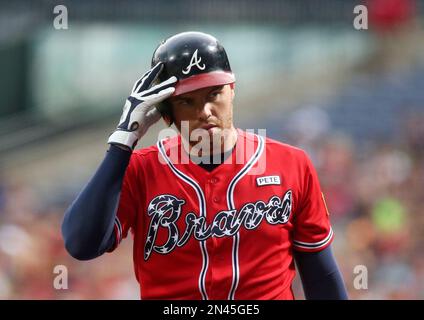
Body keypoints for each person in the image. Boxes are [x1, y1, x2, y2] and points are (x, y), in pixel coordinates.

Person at [62, 31, 348, 300]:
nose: (204, 111)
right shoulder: (140, 169)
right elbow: (81, 244)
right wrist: (123, 141)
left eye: (214, 94)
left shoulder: (291, 164)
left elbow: (320, 274)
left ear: (232, 90)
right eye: (187, 101)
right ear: (166, 113)